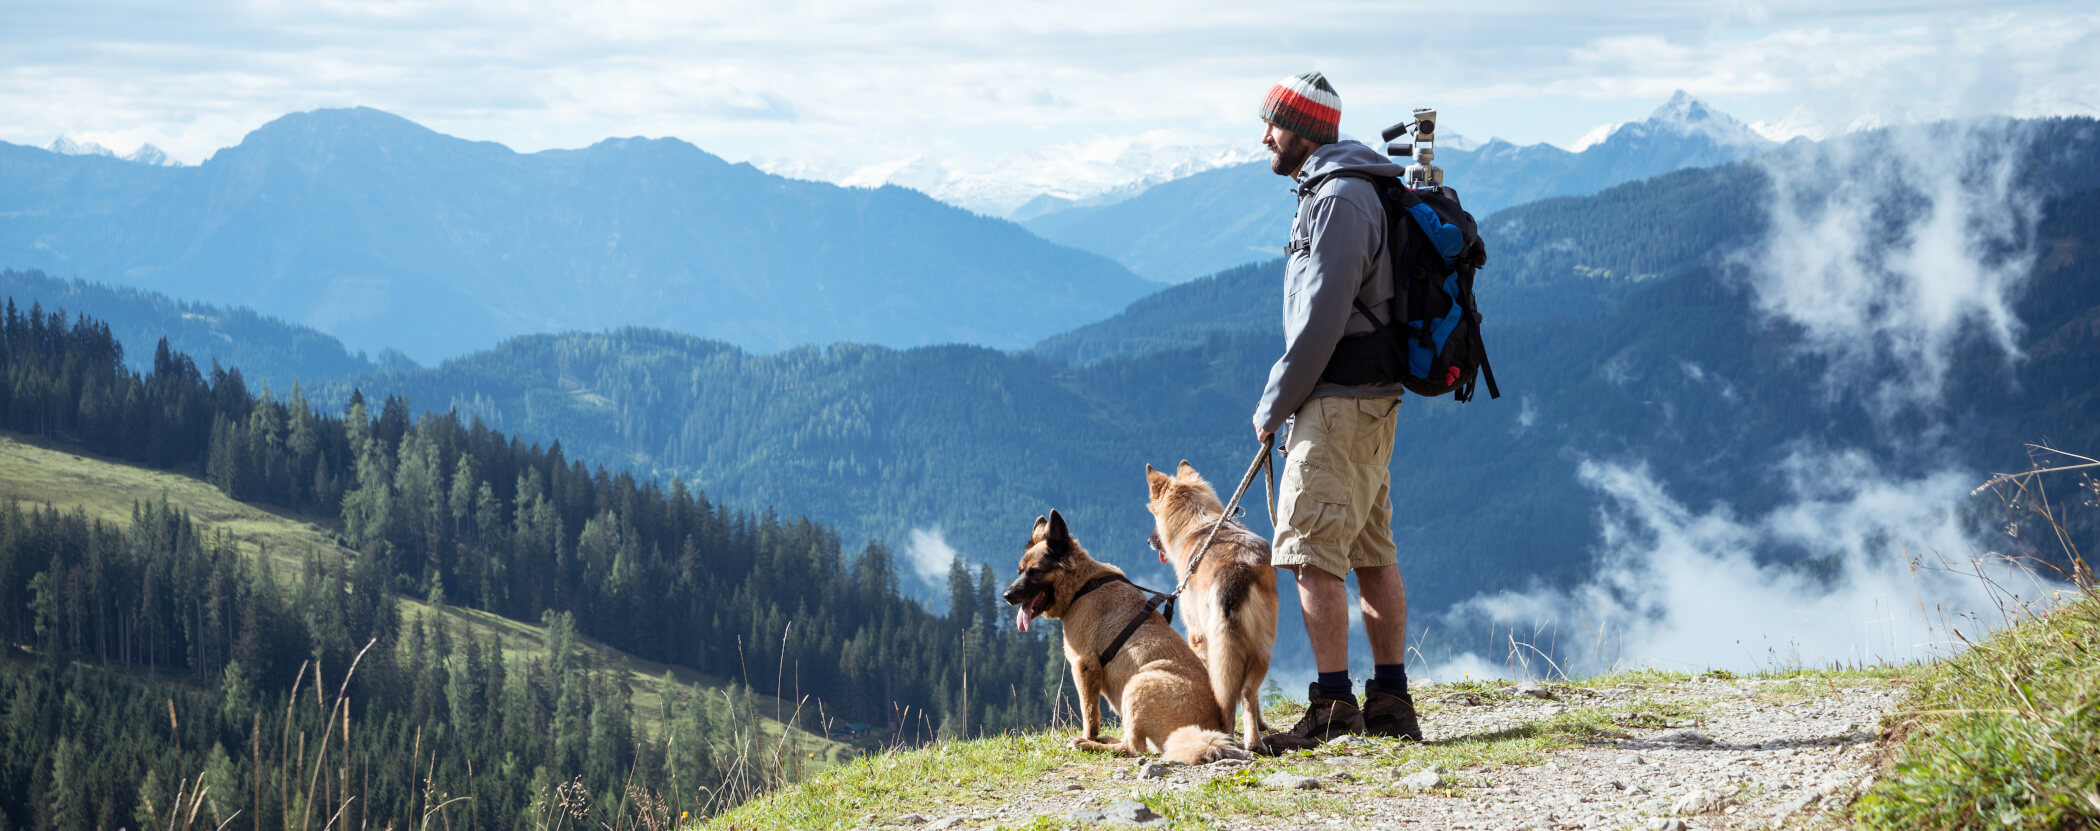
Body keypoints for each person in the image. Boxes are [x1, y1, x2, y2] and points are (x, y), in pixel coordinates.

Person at [1250, 71, 1424, 748]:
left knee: (1312, 552)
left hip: (1338, 402)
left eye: (1274, 123)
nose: (1265, 135)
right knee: (1369, 546)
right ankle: (1389, 701)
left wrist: (1274, 405)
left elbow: (1322, 319)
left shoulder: (1341, 198)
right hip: (1365, 401)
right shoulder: (1352, 187)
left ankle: (1333, 706)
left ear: (1308, 130)